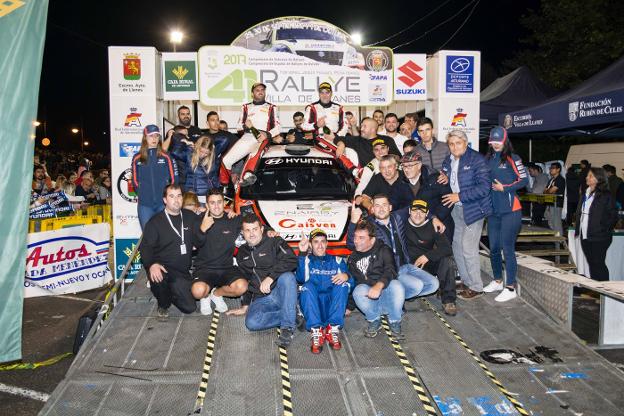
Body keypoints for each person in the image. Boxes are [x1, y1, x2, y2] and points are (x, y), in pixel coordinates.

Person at [349, 195, 440, 303]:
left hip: (406, 265)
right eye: (377, 206)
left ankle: (394, 296)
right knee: (417, 286)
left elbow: (418, 208)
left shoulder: (398, 217)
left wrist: (434, 218)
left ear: (390, 207)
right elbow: (352, 245)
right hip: (389, 271)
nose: (381, 209)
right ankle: (392, 299)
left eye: (384, 205)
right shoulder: (368, 225)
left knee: (433, 284)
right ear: (372, 209)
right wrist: (353, 222)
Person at [231, 214, 299, 348]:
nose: (251, 234)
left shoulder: (274, 241)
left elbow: (291, 260)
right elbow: (245, 278)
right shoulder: (242, 253)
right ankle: (292, 314)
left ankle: (287, 328)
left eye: (255, 229)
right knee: (252, 323)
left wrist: (271, 277)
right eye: (247, 230)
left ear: (262, 229)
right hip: (260, 298)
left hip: (279, 292)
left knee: (288, 277)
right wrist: (245, 305)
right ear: (243, 233)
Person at [440, 130, 492, 300]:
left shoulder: (477, 159)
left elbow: (484, 188)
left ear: (465, 142)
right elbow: (449, 176)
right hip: (456, 209)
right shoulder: (449, 159)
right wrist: (445, 178)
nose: (455, 147)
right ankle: (466, 281)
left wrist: (459, 196)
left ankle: (477, 287)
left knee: (468, 248)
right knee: (456, 247)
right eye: (451, 144)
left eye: (458, 143)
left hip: (474, 209)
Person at [482, 127, 528, 302]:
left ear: (505, 141)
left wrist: (505, 188)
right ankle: (498, 280)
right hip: (493, 211)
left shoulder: (513, 158)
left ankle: (511, 287)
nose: (495, 144)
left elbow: (524, 180)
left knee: (507, 249)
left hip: (511, 210)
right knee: (493, 248)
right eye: (492, 141)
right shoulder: (488, 159)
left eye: (498, 141)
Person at [140, 184, 199, 317]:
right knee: (158, 278)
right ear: (165, 200)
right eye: (171, 196)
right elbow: (145, 247)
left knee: (190, 307)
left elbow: (206, 226)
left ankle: (172, 290)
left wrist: (228, 213)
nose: (176, 200)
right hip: (163, 268)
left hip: (181, 272)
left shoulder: (190, 216)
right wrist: (152, 264)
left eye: (179, 196)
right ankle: (163, 303)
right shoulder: (155, 222)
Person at [191, 189, 249, 314]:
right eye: (212, 203)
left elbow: (252, 223)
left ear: (224, 203)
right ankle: (205, 297)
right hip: (204, 267)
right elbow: (194, 245)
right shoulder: (198, 220)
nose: (216, 206)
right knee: (197, 291)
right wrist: (202, 229)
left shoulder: (232, 219)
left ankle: (216, 294)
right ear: (206, 205)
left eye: (219, 202)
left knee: (242, 286)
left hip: (226, 267)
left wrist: (269, 231)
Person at [296, 229, 352, 354]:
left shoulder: (337, 260)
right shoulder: (305, 260)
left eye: (323, 242)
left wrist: (347, 276)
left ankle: (333, 329)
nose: (320, 245)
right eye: (316, 242)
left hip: (332, 308)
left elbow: (351, 284)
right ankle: (316, 331)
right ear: (310, 244)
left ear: (327, 244)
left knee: (343, 284)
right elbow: (300, 278)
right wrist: (302, 253)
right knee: (306, 286)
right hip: (313, 309)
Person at [348, 219, 405, 338]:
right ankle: (375, 320)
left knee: (396, 285)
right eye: (355, 237)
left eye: (361, 238)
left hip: (386, 295)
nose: (356, 241)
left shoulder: (383, 250)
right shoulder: (353, 258)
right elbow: (354, 282)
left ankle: (395, 320)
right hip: (371, 302)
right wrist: (349, 306)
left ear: (372, 239)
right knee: (358, 290)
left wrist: (379, 286)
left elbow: (391, 270)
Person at [220, 83, 281, 184]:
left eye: (262, 90)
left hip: (263, 139)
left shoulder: (271, 107)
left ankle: (247, 180)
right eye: (257, 90)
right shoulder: (245, 107)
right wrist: (246, 127)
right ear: (252, 93)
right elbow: (238, 126)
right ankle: (228, 187)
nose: (260, 92)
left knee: (252, 162)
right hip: (248, 137)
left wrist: (267, 134)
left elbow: (278, 127)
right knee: (226, 161)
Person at [405, 200, 457, 315]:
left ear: (427, 213)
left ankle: (448, 299)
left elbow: (447, 248)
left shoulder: (433, 225)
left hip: (426, 264)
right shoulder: (401, 224)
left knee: (447, 260)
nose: (418, 214)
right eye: (415, 211)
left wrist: (427, 256)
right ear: (409, 211)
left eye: (422, 211)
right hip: (408, 267)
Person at [574, 168, 618, 281]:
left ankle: (605, 292)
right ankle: (596, 290)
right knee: (592, 263)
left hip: (600, 236)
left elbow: (613, 215)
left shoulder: (606, 195)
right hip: (585, 234)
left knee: (598, 263)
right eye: (587, 176)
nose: (587, 178)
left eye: (590, 176)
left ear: (599, 178)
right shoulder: (586, 192)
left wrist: (603, 228)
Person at [400, 151, 454, 242]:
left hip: (440, 225)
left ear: (419, 165)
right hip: (416, 229)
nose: (406, 169)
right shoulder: (401, 182)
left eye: (410, 165)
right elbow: (395, 202)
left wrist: (435, 217)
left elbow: (448, 200)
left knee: (443, 254)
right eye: (404, 166)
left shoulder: (436, 178)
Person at [131, 124, 178, 229]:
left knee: (165, 236)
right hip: (145, 205)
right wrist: (142, 193)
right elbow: (134, 180)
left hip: (163, 204)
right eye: (151, 136)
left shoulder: (166, 156)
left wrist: (168, 196)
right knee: (148, 236)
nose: (154, 139)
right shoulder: (137, 158)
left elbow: (174, 178)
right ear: (145, 138)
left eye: (157, 136)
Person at [335, 118, 401, 167]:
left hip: (387, 173)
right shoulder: (357, 140)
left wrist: (384, 158)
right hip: (366, 176)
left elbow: (398, 157)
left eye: (364, 126)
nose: (361, 129)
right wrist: (341, 145)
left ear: (373, 129)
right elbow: (337, 139)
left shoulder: (387, 140)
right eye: (361, 126)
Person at [544, 162, 565, 236]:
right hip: (550, 204)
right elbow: (545, 191)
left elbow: (551, 191)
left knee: (557, 224)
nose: (550, 170)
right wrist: (548, 190)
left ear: (558, 169)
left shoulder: (560, 179)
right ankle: (555, 241)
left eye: (553, 168)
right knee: (551, 223)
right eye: (550, 168)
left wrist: (548, 190)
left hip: (556, 204)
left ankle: (559, 243)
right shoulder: (551, 180)